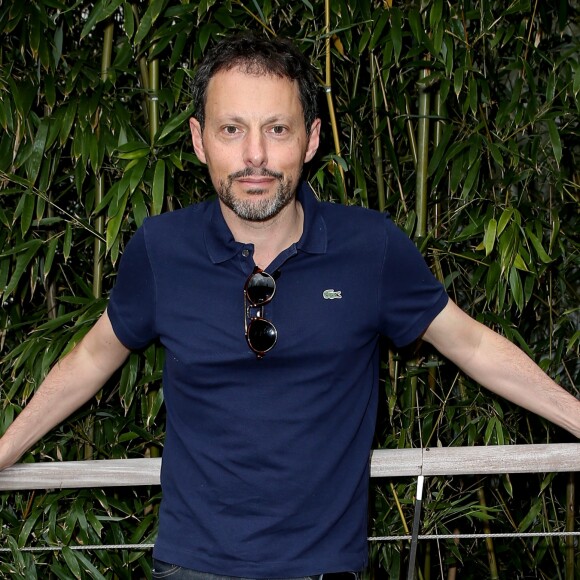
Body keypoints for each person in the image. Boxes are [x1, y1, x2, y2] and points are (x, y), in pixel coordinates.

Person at [0, 33, 579, 580]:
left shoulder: (370, 248)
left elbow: (472, 344)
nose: (256, 156)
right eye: (232, 129)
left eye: (277, 129)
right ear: (200, 140)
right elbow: (93, 358)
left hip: (324, 566)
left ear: (312, 138)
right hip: (191, 565)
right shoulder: (161, 250)